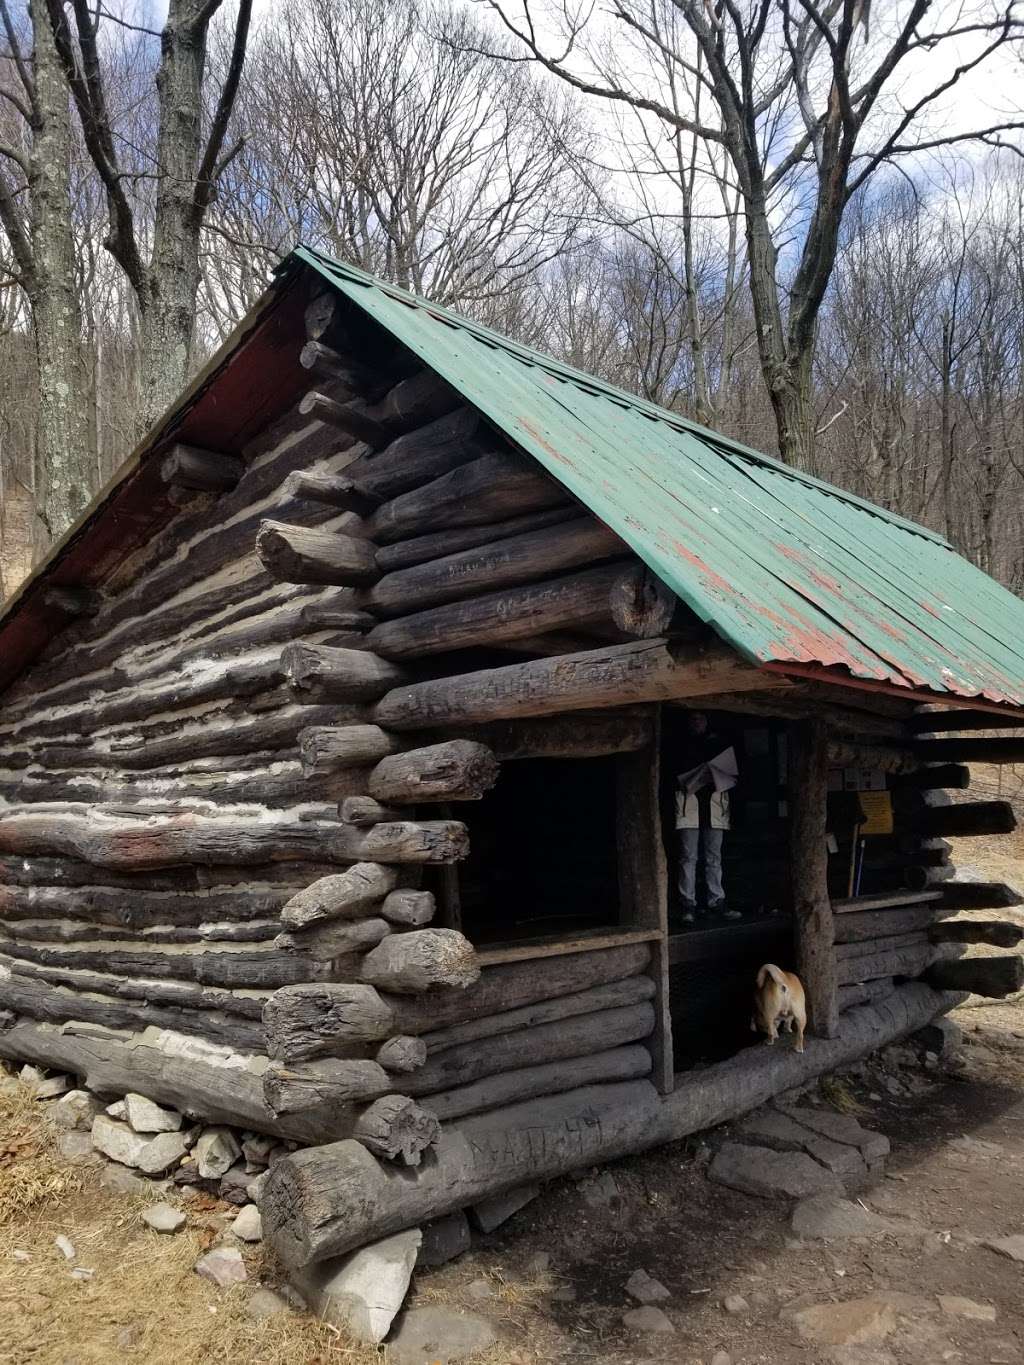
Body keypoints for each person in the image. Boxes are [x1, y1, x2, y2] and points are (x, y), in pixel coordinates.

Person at [675, 711, 740, 923]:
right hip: (689, 805)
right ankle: (688, 904)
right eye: (693, 719)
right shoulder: (681, 745)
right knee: (688, 858)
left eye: (700, 719)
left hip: (713, 805)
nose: (697, 723)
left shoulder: (718, 743)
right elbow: (674, 774)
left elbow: (732, 774)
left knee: (714, 857)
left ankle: (716, 901)